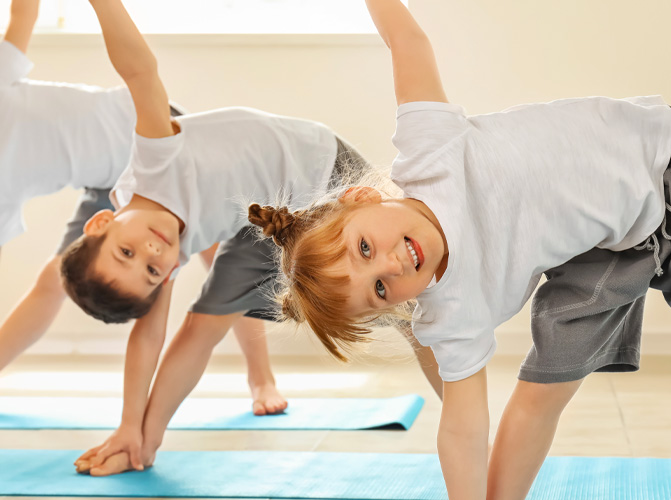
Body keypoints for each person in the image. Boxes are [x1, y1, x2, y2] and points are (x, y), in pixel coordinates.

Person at [250, 0, 671, 498]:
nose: (391, 265)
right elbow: (463, 429)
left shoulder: (429, 152)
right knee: (543, 384)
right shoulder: (451, 317)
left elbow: (407, 42)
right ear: (394, 309)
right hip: (605, 249)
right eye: (379, 289)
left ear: (363, 197)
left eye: (366, 246)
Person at [66, 0, 442, 477]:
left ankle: (465, 417)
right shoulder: (163, 247)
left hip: (319, 172)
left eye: (128, 251)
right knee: (202, 326)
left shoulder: (152, 164)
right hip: (261, 219)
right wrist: (130, 429)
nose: (153, 254)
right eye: (151, 272)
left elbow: (140, 72)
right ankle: (146, 446)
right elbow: (150, 336)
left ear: (101, 222)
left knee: (414, 312)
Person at [0, 0, 286, 417]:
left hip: (151, 135)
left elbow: (23, 16)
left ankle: (261, 377)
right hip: (107, 183)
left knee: (217, 257)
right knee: (53, 280)